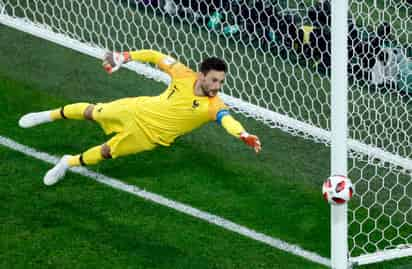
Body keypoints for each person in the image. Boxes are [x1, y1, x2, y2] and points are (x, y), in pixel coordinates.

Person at [18, 49, 262, 186]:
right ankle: (47, 115)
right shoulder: (182, 74)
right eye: (214, 80)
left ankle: (66, 163)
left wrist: (242, 134)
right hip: (137, 109)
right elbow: (155, 56)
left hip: (149, 136)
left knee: (106, 152)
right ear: (201, 75)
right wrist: (124, 57)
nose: (217, 86)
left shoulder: (213, 106)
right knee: (92, 112)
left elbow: (228, 120)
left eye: (221, 81)